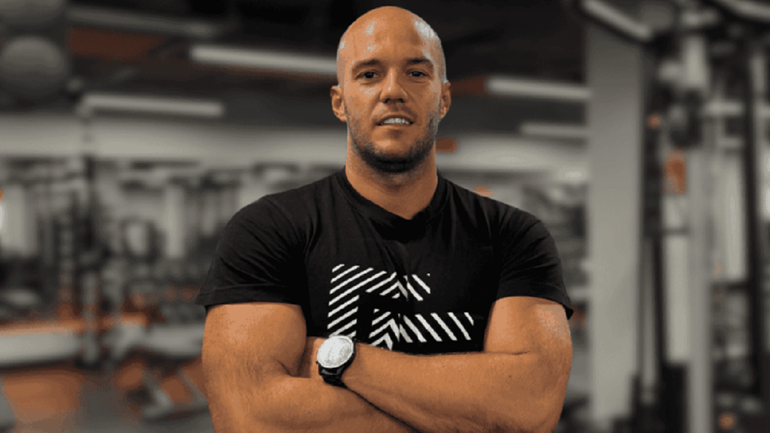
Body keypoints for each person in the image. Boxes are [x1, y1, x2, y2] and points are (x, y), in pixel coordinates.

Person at [195, 6, 574, 433]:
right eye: (369, 74)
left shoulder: (514, 236)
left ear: (444, 98)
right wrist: (465, 414)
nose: (393, 90)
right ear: (340, 102)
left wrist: (342, 360)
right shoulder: (266, 230)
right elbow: (250, 419)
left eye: (416, 73)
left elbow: (530, 408)